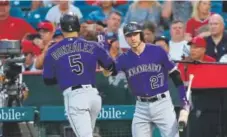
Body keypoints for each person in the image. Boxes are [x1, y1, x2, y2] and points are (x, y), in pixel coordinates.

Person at [103, 22, 190, 137]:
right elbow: (108, 72)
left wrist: (183, 99)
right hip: (141, 107)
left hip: (162, 104)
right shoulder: (124, 58)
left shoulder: (157, 51)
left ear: (141, 34)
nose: (132, 38)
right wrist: (103, 54)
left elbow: (175, 75)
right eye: (129, 35)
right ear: (125, 38)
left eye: (135, 34)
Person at [42, 13, 115, 137]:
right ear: (78, 27)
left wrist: (64, 75)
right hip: (94, 97)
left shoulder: (52, 50)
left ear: (62, 29)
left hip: (75, 97)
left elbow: (48, 79)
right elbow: (110, 66)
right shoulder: (93, 45)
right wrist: (103, 47)